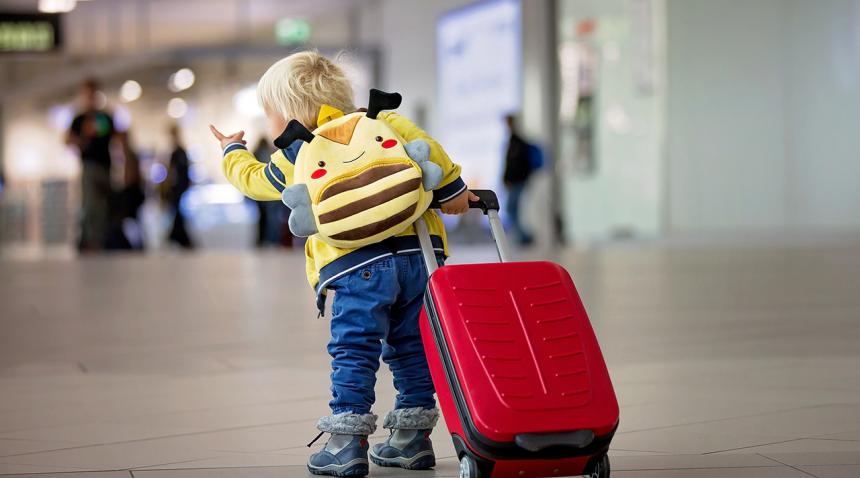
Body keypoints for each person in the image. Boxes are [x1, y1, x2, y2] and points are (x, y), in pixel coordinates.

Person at [209, 51, 476, 476]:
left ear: (289, 112)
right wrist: (454, 193)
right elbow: (436, 156)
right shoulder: (379, 121)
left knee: (355, 349)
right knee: (412, 346)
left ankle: (346, 443)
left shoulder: (298, 148)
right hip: (417, 257)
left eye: (270, 113)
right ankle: (412, 440)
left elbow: (255, 181)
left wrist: (232, 149)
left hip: (355, 267)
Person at [66, 79, 115, 252]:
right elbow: (68, 139)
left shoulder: (106, 117)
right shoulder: (79, 119)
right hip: (89, 166)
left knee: (103, 205)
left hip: (106, 166)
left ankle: (101, 240)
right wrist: (83, 139)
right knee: (90, 204)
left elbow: (118, 139)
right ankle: (88, 240)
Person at [252, 137, 291, 247]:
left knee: (263, 218)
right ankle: (272, 239)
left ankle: (264, 239)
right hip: (270, 194)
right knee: (272, 218)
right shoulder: (268, 152)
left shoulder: (257, 152)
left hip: (260, 193)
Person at [503, 114, 535, 246]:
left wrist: (511, 178)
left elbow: (515, 164)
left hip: (517, 182)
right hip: (515, 181)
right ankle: (522, 236)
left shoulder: (517, 142)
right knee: (513, 210)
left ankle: (524, 237)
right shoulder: (514, 141)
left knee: (512, 209)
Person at [165, 125, 194, 249]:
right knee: (177, 213)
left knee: (178, 212)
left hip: (179, 188)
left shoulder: (179, 152)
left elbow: (176, 173)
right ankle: (178, 236)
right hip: (178, 187)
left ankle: (178, 237)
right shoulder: (178, 152)